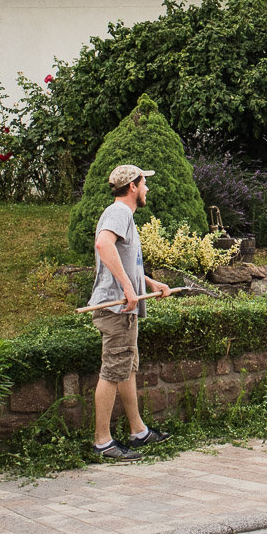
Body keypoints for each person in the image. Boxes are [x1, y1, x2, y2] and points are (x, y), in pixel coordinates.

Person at [87, 164, 173, 461]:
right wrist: (127, 288)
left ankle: (138, 430)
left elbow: (124, 260)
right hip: (115, 309)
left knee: (126, 367)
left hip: (122, 307)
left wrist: (148, 281)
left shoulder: (123, 215)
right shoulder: (119, 213)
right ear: (133, 186)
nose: (147, 188)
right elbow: (103, 245)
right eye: (144, 183)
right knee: (113, 371)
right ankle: (102, 442)